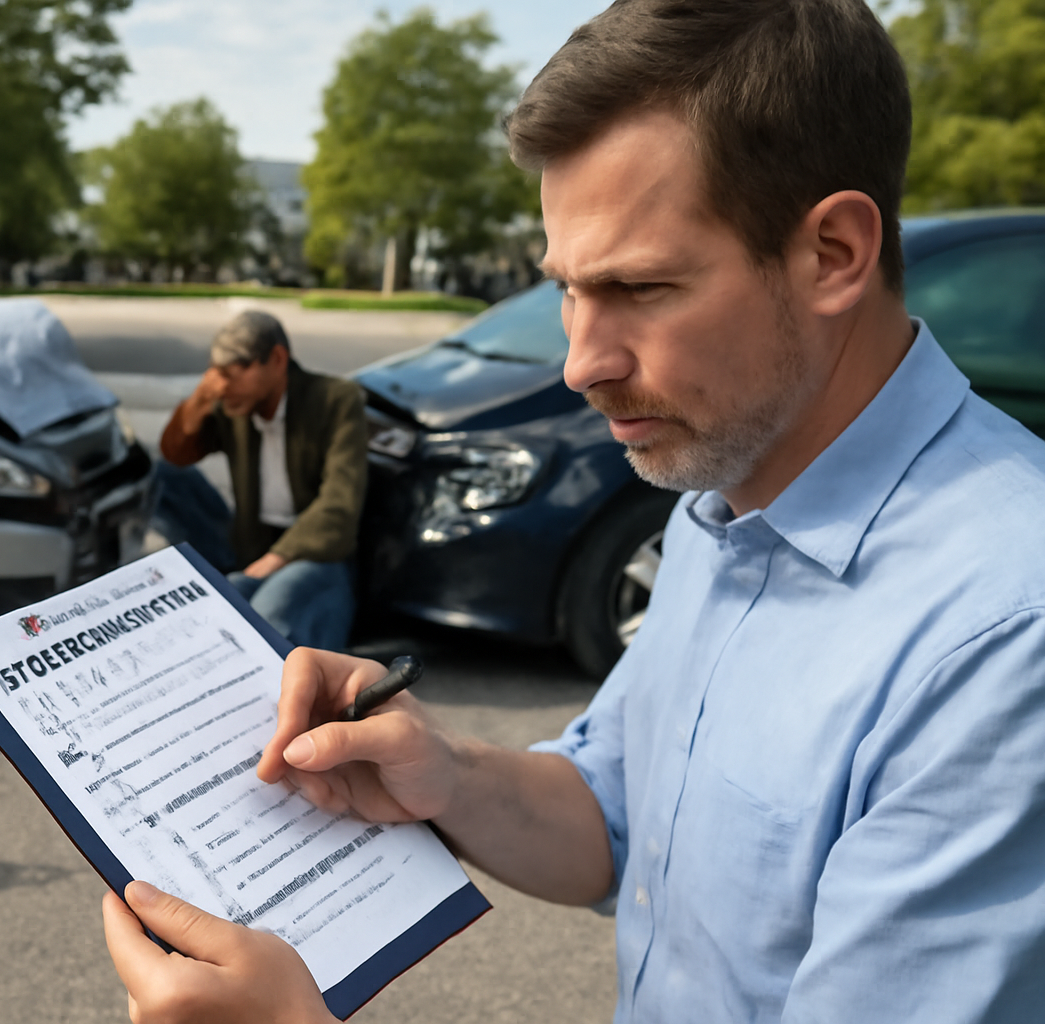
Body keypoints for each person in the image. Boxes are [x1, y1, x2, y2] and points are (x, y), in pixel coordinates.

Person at [100, 1, 1045, 1021]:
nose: (582, 364)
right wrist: (445, 775)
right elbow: (618, 815)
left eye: (639, 285)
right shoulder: (725, 494)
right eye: (567, 289)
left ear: (833, 253)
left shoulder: (1006, 638)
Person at [152, 309, 366, 651]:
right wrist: (200, 399)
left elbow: (339, 503)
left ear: (277, 359)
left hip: (314, 554)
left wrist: (273, 561)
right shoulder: (235, 403)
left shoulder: (336, 400)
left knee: (263, 617)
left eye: (232, 372)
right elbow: (177, 454)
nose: (222, 386)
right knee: (162, 474)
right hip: (249, 543)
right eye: (215, 373)